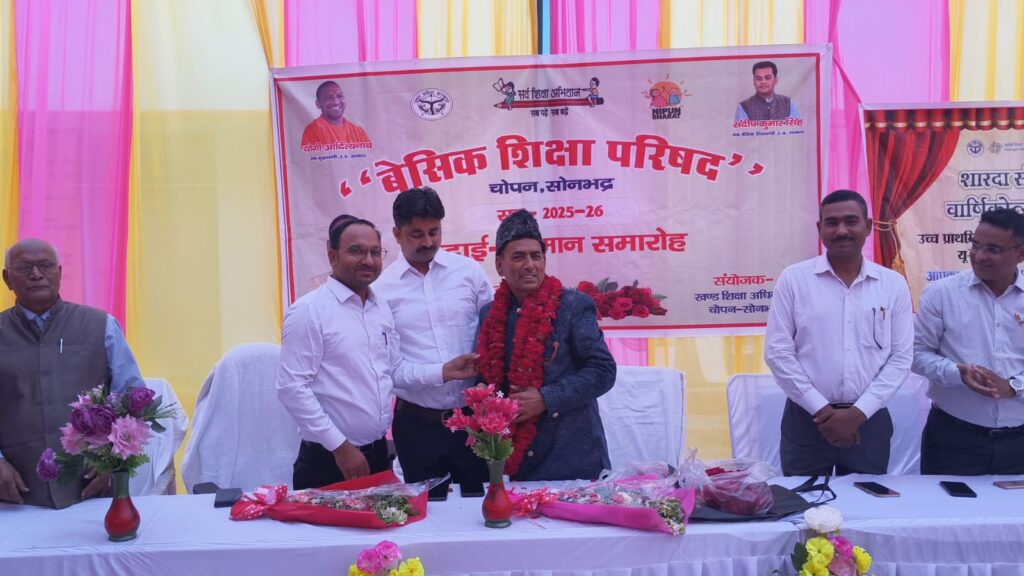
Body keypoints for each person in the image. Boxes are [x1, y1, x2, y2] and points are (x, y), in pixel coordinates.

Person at [277, 215, 477, 489]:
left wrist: (444, 372)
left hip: (377, 454)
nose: (368, 261)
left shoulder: (379, 307)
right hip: (329, 459)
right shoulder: (309, 311)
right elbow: (291, 388)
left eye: (374, 252)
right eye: (356, 251)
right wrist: (340, 447)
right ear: (332, 255)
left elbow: (393, 371)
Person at [765, 190, 912, 476]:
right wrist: (821, 410)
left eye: (851, 221)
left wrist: (858, 413)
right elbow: (777, 352)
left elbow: (901, 357)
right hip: (806, 419)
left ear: (867, 226)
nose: (841, 230)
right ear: (819, 228)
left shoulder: (892, 284)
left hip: (869, 419)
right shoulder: (794, 280)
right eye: (832, 223)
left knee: (867, 499)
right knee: (803, 500)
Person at [0, 239, 145, 508]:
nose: (36, 274)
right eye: (24, 268)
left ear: (59, 273)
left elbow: (132, 398)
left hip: (93, 492)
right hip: (13, 497)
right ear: (7, 278)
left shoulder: (101, 326)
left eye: (45, 265)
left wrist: (114, 459)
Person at [476, 209, 616, 481]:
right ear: (499, 265)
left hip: (572, 456)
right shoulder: (490, 314)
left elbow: (603, 371)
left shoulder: (573, 306)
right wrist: (481, 393)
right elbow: (486, 374)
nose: (530, 265)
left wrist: (546, 398)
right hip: (515, 461)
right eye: (519, 256)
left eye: (536, 256)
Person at [373, 188, 493, 485]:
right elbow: (389, 371)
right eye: (416, 234)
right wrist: (443, 372)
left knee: (480, 505)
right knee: (425, 510)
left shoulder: (469, 273)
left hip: (474, 421)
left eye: (434, 232)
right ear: (396, 234)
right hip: (417, 426)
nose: (428, 242)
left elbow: (494, 333)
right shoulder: (380, 290)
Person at [913, 208, 1024, 475]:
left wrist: (1013, 387)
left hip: (1019, 441)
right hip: (953, 439)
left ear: (1020, 254)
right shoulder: (941, 294)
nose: (979, 255)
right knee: (944, 503)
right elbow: (916, 354)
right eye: (975, 245)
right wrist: (957, 373)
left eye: (993, 249)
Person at [300, 81, 372, 148]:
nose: (336, 101)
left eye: (339, 96)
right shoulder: (313, 130)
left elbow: (369, 156)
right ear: (318, 104)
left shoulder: (359, 132)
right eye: (329, 97)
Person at [735, 61, 800, 121]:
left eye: (767, 78)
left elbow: (795, 129)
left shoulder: (789, 104)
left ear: (775, 80)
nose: (763, 82)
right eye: (758, 79)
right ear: (754, 81)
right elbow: (742, 129)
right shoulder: (744, 107)